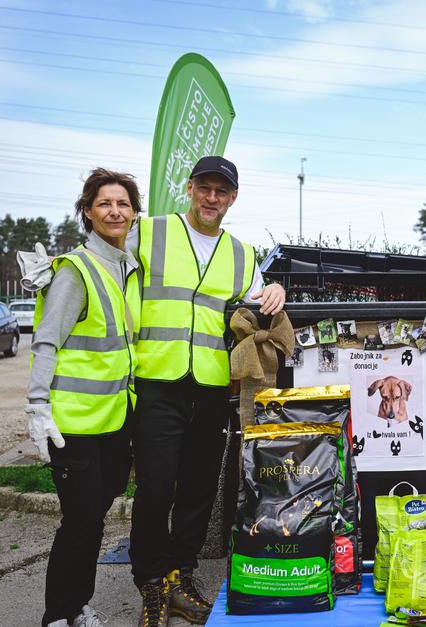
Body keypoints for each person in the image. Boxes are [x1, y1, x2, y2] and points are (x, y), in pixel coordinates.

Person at [128, 156, 286, 626]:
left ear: (233, 197)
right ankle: (152, 583)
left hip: (212, 387)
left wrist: (275, 289)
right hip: (157, 382)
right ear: (190, 188)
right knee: (156, 488)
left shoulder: (242, 253)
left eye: (222, 191)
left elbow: (261, 304)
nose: (212, 198)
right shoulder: (150, 232)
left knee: (199, 489)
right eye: (205, 188)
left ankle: (183, 574)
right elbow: (104, 261)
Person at [26, 168, 143, 627]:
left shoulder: (126, 264)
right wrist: (37, 403)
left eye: (124, 204)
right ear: (88, 212)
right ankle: (59, 614)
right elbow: (47, 340)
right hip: (72, 421)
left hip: (113, 418)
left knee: (96, 514)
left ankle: (76, 605)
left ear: (134, 214)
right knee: (80, 520)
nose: (115, 211)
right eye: (104, 203)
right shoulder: (76, 269)